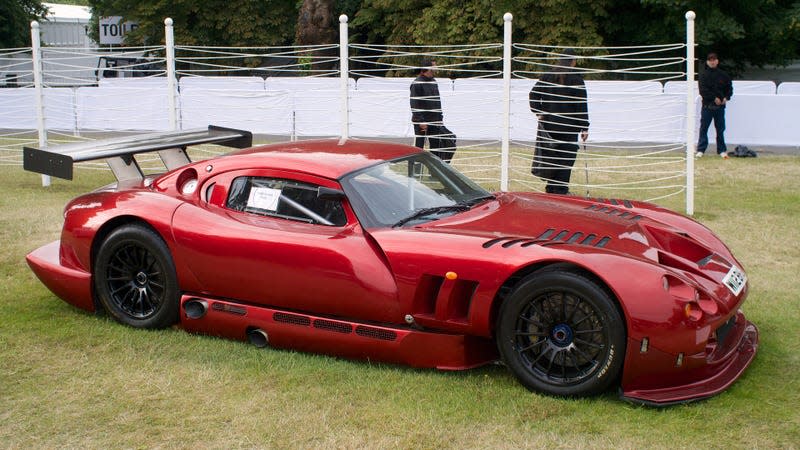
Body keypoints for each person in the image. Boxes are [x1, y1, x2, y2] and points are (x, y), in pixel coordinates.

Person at [529, 49, 589, 194]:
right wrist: (584, 127)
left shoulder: (547, 76)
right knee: (566, 159)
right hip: (568, 127)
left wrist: (540, 112)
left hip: (550, 126)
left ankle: (551, 189)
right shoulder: (576, 79)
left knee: (551, 157)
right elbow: (581, 106)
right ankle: (561, 190)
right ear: (573, 61)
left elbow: (533, 95)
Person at [410, 59, 456, 163]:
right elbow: (414, 103)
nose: (436, 68)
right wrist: (421, 121)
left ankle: (434, 173)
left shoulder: (433, 81)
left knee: (436, 147)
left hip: (435, 120)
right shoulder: (417, 83)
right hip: (422, 122)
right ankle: (416, 171)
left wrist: (440, 118)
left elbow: (436, 101)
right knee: (419, 148)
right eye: (434, 66)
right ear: (428, 68)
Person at [696, 52, 733, 159]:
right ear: (707, 62)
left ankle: (721, 150)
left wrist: (726, 98)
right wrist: (713, 98)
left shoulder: (724, 75)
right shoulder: (703, 75)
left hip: (720, 108)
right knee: (704, 128)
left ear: (717, 61)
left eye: (714, 60)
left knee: (720, 129)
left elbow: (729, 89)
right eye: (710, 60)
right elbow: (703, 90)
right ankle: (701, 150)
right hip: (707, 106)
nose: (712, 62)